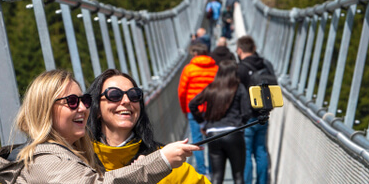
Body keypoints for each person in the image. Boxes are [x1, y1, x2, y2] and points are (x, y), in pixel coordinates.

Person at [0, 69, 202, 183]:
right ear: (44, 109)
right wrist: (161, 161)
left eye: (84, 100)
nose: (83, 107)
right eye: (72, 102)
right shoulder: (44, 161)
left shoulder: (73, 156)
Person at [86, 69, 211, 183]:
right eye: (114, 95)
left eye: (134, 95)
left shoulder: (166, 160)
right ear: (96, 109)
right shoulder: (79, 162)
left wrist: (159, 163)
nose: (126, 100)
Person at [188, 60, 251, 184]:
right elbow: (247, 111)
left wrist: (202, 123)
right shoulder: (239, 87)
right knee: (238, 176)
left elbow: (192, 104)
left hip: (213, 134)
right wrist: (240, 124)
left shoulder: (212, 87)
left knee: (217, 176)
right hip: (234, 133)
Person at [235, 36, 273, 184]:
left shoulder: (240, 68)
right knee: (261, 151)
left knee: (246, 153)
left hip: (247, 117)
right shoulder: (265, 64)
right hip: (263, 114)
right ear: (254, 48)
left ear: (239, 50)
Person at [177, 43, 219, 175]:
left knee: (197, 141)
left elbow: (182, 92)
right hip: (212, 109)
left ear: (195, 54)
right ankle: (213, 171)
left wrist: (185, 110)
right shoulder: (216, 69)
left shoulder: (189, 69)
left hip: (194, 110)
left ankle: (202, 172)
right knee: (212, 139)